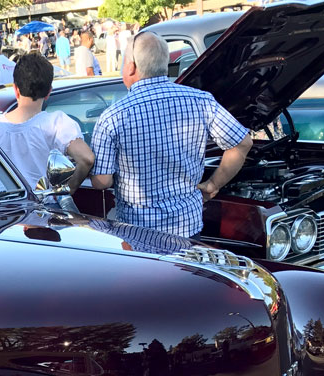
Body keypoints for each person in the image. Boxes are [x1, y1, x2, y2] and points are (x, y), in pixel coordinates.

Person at [90, 32, 253, 237]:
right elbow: (242, 143)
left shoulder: (113, 116)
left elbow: (102, 182)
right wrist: (213, 184)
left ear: (131, 66)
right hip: (188, 228)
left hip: (138, 233)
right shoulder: (201, 101)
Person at [0, 53, 95, 192]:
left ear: (16, 89)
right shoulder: (57, 123)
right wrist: (65, 191)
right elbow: (87, 158)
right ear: (49, 92)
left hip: (0, 209)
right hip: (40, 209)